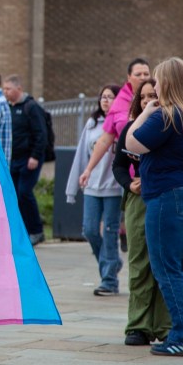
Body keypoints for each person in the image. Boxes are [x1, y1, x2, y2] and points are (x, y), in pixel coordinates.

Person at [126, 58, 183, 357]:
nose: (155, 85)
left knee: (166, 267)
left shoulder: (166, 115)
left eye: (159, 80)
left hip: (169, 196)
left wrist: (143, 113)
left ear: (169, 83)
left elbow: (132, 143)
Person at [111, 78, 171, 346]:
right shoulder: (129, 129)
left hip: (166, 198)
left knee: (165, 262)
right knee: (139, 264)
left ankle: (165, 325)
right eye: (144, 97)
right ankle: (138, 326)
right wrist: (129, 184)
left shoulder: (170, 127)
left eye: (153, 96)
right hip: (138, 201)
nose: (149, 101)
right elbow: (119, 165)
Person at [67, 84, 123, 296]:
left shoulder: (123, 124)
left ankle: (109, 280)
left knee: (110, 233)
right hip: (91, 187)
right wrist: (72, 189)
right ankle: (111, 262)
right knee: (89, 230)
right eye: (103, 97)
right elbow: (82, 155)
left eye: (110, 97)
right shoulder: (92, 124)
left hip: (114, 189)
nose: (106, 101)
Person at [80, 58, 151, 185]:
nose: (143, 77)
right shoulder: (119, 102)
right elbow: (105, 139)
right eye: (138, 74)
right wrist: (88, 169)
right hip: (128, 170)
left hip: (152, 167)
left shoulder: (157, 98)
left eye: (146, 74)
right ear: (129, 77)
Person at [3, 74, 47, 245]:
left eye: (9, 89)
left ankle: (37, 230)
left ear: (19, 89)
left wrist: (35, 156)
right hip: (14, 159)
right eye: (4, 89)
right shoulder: (8, 107)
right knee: (14, 195)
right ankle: (21, 232)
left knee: (24, 192)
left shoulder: (31, 107)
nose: (5, 92)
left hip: (29, 159)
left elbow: (40, 134)